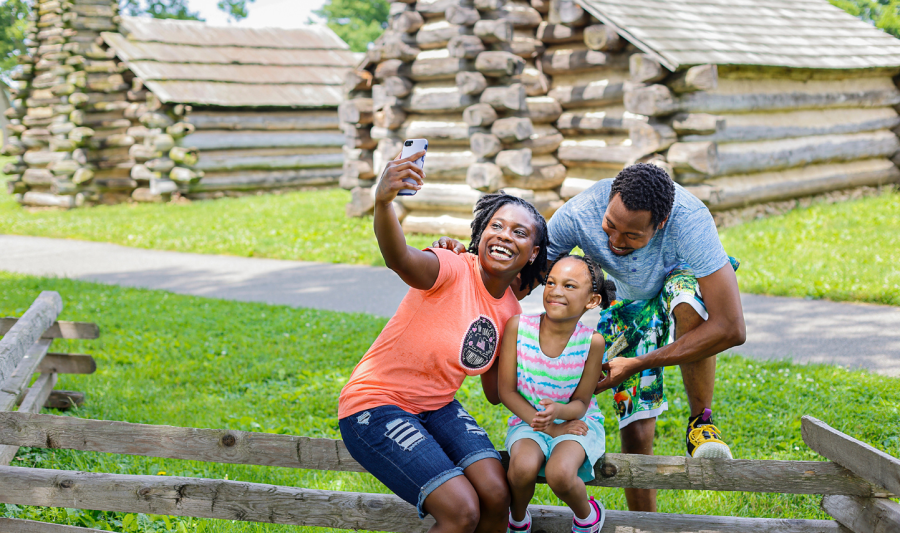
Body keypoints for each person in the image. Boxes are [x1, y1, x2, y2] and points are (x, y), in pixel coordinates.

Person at [434, 163, 746, 513]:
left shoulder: (690, 221)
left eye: (631, 236)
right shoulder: (581, 211)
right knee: (637, 432)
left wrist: (639, 364)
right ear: (609, 198)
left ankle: (700, 422)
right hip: (630, 304)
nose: (614, 241)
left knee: (688, 299)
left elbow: (731, 327)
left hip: (681, 281)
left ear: (659, 224)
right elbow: (523, 278)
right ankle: (642, 525)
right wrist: (465, 264)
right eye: (610, 226)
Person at [338, 149, 550, 533]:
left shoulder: (511, 312)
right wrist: (383, 202)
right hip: (375, 406)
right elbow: (399, 258)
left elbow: (496, 391)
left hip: (436, 407)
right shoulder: (452, 266)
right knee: (462, 510)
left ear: (532, 252)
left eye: (519, 232)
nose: (505, 236)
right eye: (496, 226)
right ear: (481, 234)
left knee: (496, 493)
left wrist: (568, 372)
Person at [498, 253, 613, 533]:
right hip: (529, 422)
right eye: (551, 283)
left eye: (570, 286)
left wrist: (559, 415)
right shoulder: (518, 328)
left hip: (576, 424)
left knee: (560, 474)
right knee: (522, 468)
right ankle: (518, 518)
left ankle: (588, 515)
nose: (556, 291)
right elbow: (507, 392)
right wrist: (549, 428)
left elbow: (582, 402)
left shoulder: (592, 343)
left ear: (592, 300)